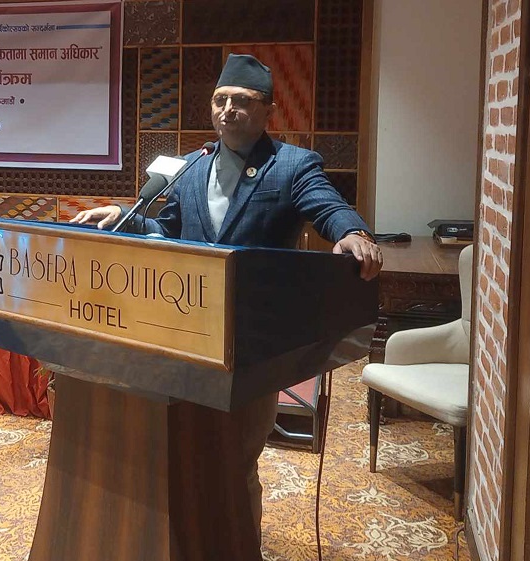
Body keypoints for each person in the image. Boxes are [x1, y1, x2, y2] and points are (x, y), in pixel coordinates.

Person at [70, 53, 383, 551]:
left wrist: (352, 232)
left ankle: (239, 548)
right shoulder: (192, 166)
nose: (228, 109)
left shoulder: (293, 165)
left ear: (268, 111)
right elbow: (168, 229)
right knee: (186, 455)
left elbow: (328, 206)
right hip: (185, 335)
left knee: (236, 462)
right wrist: (124, 214)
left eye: (242, 100)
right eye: (220, 99)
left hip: (250, 342)